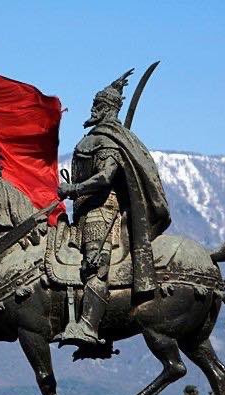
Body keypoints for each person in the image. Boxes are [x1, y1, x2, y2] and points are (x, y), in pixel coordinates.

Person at [57, 70, 171, 346]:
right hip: (82, 211)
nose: (93, 110)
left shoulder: (108, 141)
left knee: (95, 266)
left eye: (98, 105)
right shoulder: (100, 137)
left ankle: (88, 326)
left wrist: (74, 189)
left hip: (101, 212)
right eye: (94, 104)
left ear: (108, 109)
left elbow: (106, 177)